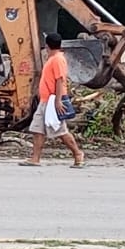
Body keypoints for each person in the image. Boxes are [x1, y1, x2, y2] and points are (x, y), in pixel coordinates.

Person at [22, 32, 86, 168]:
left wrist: (58, 101)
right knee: (37, 129)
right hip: (45, 101)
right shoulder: (53, 59)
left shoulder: (57, 59)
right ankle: (35, 158)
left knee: (60, 130)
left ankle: (77, 153)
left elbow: (60, 80)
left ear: (47, 46)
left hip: (52, 101)